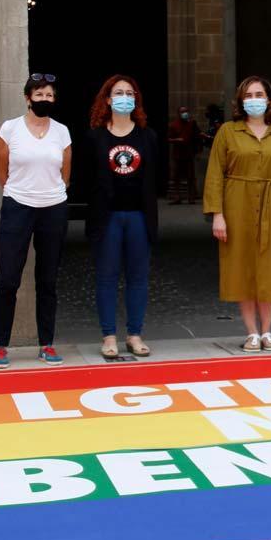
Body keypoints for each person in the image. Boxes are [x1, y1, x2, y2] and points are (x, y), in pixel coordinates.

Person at [204, 76, 271, 352]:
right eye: (248, 96)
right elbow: (215, 174)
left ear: (269, 99)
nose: (254, 100)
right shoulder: (228, 132)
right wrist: (217, 214)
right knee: (243, 267)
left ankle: (268, 331)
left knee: (270, 268)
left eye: (259, 95)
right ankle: (251, 332)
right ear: (240, 101)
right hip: (237, 205)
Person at [0, 73, 72, 369]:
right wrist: (18, 192)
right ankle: (1, 346)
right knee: (8, 278)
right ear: (27, 98)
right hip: (17, 207)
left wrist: (52, 194)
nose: (44, 100)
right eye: (39, 95)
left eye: (49, 95)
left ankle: (46, 344)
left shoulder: (62, 131)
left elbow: (65, 173)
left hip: (53, 209)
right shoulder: (10, 129)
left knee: (47, 279)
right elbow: (2, 170)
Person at [85, 74, 159, 359]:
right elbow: (87, 179)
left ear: (136, 100)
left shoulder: (147, 136)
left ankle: (135, 334)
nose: (124, 97)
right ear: (108, 99)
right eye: (118, 92)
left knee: (138, 277)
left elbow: (154, 178)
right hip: (108, 217)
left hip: (139, 216)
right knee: (106, 277)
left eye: (130, 92)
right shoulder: (95, 136)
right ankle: (108, 336)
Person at [167, 105, 202, 204]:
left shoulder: (192, 124)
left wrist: (198, 151)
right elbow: (169, 138)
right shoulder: (174, 125)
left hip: (189, 154)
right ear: (179, 113)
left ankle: (191, 197)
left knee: (190, 176)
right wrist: (177, 140)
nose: (185, 113)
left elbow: (197, 136)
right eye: (182, 112)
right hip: (178, 154)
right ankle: (177, 197)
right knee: (176, 177)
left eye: (186, 111)